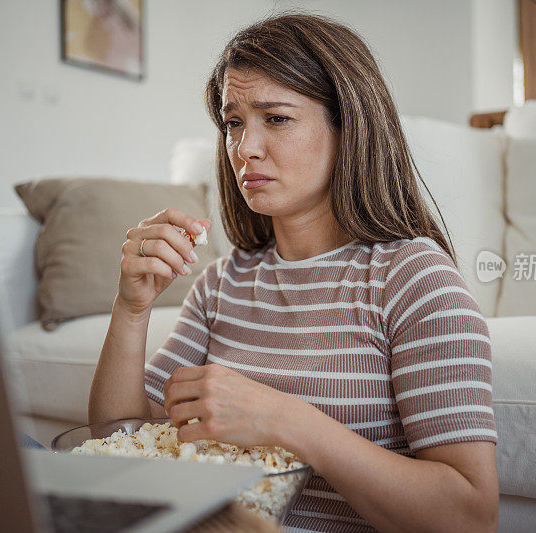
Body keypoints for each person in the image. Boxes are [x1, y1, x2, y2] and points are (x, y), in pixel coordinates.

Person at [89, 11, 499, 533]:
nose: (245, 149)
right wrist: (132, 309)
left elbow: (471, 516)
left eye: (276, 118)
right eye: (234, 123)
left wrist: (285, 421)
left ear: (348, 124)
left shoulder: (414, 279)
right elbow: (117, 442)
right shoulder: (222, 285)